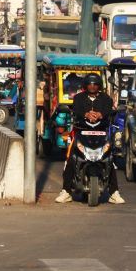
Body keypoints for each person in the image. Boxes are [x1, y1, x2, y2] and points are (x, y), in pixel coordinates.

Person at [56, 74, 124, 204]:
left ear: (99, 86)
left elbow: (109, 111)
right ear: (85, 85)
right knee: (71, 159)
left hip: (101, 134)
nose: (92, 86)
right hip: (81, 133)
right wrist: (86, 114)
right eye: (90, 84)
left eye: (95, 84)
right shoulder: (78, 98)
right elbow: (76, 110)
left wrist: (100, 114)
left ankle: (114, 193)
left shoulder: (106, 99)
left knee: (109, 159)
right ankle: (66, 191)